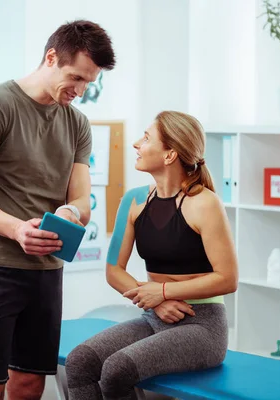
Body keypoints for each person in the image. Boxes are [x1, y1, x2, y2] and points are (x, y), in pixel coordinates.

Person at [0, 20, 115, 400]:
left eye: (89, 82)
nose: (80, 90)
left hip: (46, 271)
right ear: (51, 57)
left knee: (29, 383)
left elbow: (81, 201)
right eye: (75, 77)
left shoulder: (77, 123)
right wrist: (16, 230)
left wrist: (70, 215)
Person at [65, 110, 239, 400]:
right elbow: (113, 269)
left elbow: (227, 279)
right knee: (80, 361)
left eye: (146, 138)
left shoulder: (205, 204)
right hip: (154, 316)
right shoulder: (133, 200)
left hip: (202, 325)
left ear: (170, 154)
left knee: (117, 369)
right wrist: (157, 302)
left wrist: (163, 291)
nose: (136, 144)